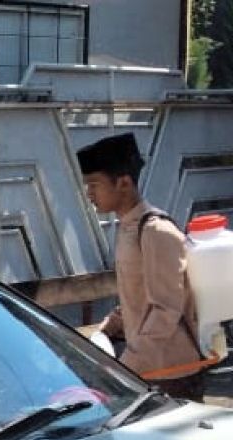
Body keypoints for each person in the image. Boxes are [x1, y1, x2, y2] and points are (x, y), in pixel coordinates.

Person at [77, 133, 207, 401]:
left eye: (94, 185)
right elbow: (136, 296)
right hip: (149, 370)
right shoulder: (128, 227)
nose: (89, 193)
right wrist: (107, 328)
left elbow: (166, 310)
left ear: (123, 182)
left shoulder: (156, 231)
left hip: (173, 373)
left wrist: (127, 366)